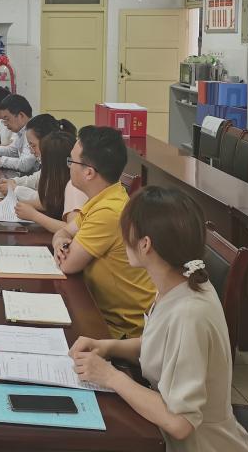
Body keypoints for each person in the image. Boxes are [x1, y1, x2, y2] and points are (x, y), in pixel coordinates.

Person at [70, 186, 248, 452]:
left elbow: (180, 423)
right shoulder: (178, 281)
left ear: (145, 244)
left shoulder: (190, 313)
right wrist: (108, 347)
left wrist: (110, 376)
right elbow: (160, 345)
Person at [50, 125, 155, 338]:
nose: (68, 166)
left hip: (122, 330)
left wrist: (62, 245)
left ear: (89, 172)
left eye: (71, 161)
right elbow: (63, 233)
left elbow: (68, 264)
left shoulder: (109, 211)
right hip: (99, 309)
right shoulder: (106, 197)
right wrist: (59, 242)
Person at [0, 123, 88, 234]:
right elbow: (49, 203)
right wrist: (6, 204)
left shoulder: (75, 187)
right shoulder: (59, 177)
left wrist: (35, 216)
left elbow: (74, 231)